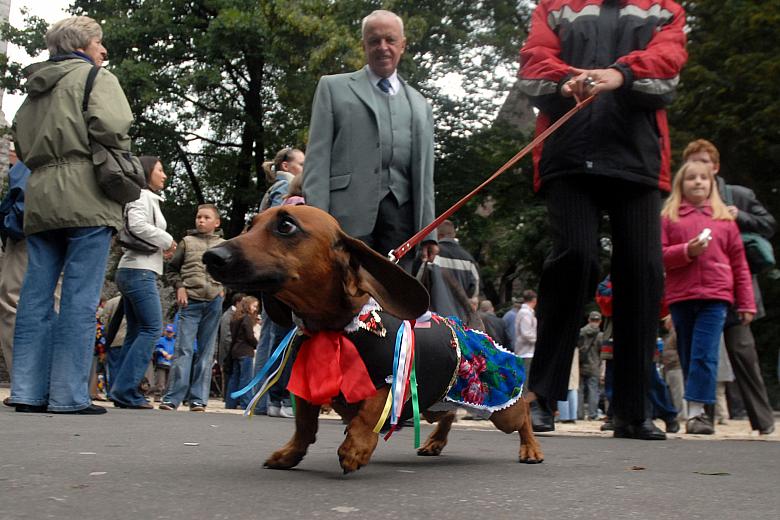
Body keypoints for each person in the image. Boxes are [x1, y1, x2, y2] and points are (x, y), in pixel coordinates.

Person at [518, 0, 688, 439]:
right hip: (568, 154)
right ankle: (542, 397)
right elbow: (534, 64)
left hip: (638, 159)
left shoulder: (663, 8)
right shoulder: (555, 7)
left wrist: (621, 73)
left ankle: (633, 410)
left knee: (643, 271)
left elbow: (668, 67)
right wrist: (566, 81)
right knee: (575, 257)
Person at [9, 16, 134, 414]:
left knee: (35, 295)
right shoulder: (98, 78)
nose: (104, 51)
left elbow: (23, 145)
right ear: (83, 45)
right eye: (100, 42)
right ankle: (68, 394)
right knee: (80, 297)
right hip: (86, 192)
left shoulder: (34, 89)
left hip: (41, 193)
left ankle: (27, 390)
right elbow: (113, 126)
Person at [302, 9, 438, 271]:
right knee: (345, 297)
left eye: (390, 40)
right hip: (344, 219)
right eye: (374, 41)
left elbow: (425, 176)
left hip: (402, 221)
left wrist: (428, 231)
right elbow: (317, 160)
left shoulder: (420, 104)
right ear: (364, 45)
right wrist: (317, 222)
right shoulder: (333, 88)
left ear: (403, 45)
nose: (382, 47)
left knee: (395, 300)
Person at [682, 139, 776, 435]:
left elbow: (769, 223)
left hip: (736, 288)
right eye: (693, 163)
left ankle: (762, 420)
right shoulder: (682, 201)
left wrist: (741, 216)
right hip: (697, 290)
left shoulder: (739, 195)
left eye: (705, 163)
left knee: (743, 351)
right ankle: (702, 418)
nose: (700, 170)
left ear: (716, 166)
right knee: (700, 354)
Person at [661, 160, 755, 435]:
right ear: (681, 184)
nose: (698, 182)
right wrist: (687, 251)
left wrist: (746, 302)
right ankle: (695, 410)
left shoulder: (724, 220)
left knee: (705, 353)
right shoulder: (669, 218)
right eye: (692, 178)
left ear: (712, 183)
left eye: (704, 178)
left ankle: (698, 413)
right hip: (681, 296)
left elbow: (740, 264)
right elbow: (660, 255)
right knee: (688, 353)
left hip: (716, 296)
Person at [109, 157, 176, 409]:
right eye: (160, 169)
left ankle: (121, 389)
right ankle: (125, 390)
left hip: (136, 270)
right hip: (139, 272)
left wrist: (161, 246)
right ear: (148, 172)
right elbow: (137, 225)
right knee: (152, 329)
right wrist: (167, 240)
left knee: (136, 332)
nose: (164, 175)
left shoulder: (146, 197)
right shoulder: (141, 196)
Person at [159, 204, 225, 412]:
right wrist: (179, 287)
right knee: (184, 349)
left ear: (216, 223)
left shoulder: (224, 244)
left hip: (214, 300)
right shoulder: (187, 242)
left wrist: (224, 288)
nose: (201, 221)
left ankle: (198, 399)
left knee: (206, 352)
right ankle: (173, 397)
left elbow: (232, 269)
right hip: (191, 300)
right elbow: (172, 269)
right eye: (198, 217)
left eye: (206, 217)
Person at [425, 220, 480, 324]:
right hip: (461, 324)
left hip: (435, 323)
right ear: (453, 234)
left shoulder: (430, 255)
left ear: (438, 235)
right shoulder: (469, 259)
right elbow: (473, 294)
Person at [225, 296, 260, 410]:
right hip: (246, 351)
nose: (255, 309)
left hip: (235, 351)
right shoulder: (247, 319)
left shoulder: (235, 318)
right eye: (254, 306)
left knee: (234, 378)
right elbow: (249, 336)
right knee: (246, 378)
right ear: (248, 305)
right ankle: (246, 403)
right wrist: (257, 344)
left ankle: (230, 403)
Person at [217, 292, 244, 395]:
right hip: (228, 352)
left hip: (232, 351)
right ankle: (227, 397)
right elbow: (225, 336)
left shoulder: (236, 315)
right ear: (237, 303)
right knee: (229, 376)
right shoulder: (228, 316)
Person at [578, 311, 603, 421]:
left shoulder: (581, 332)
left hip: (580, 364)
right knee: (593, 389)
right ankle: (592, 414)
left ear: (589, 319)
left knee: (579, 390)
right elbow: (601, 352)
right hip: (594, 366)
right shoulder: (600, 335)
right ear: (600, 321)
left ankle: (579, 413)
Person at [514, 289, 538, 382]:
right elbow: (526, 333)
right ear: (534, 301)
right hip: (526, 352)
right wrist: (538, 340)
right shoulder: (526, 313)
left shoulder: (525, 312)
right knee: (525, 381)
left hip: (525, 351)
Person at [152, 324, 176, 399]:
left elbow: (178, 352)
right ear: (165, 331)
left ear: (174, 333)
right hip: (161, 363)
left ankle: (167, 397)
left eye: (171, 332)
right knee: (160, 381)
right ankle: (157, 396)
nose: (169, 333)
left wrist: (172, 356)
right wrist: (162, 351)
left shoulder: (175, 342)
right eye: (168, 331)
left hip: (171, 364)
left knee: (169, 382)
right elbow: (155, 348)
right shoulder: (161, 340)